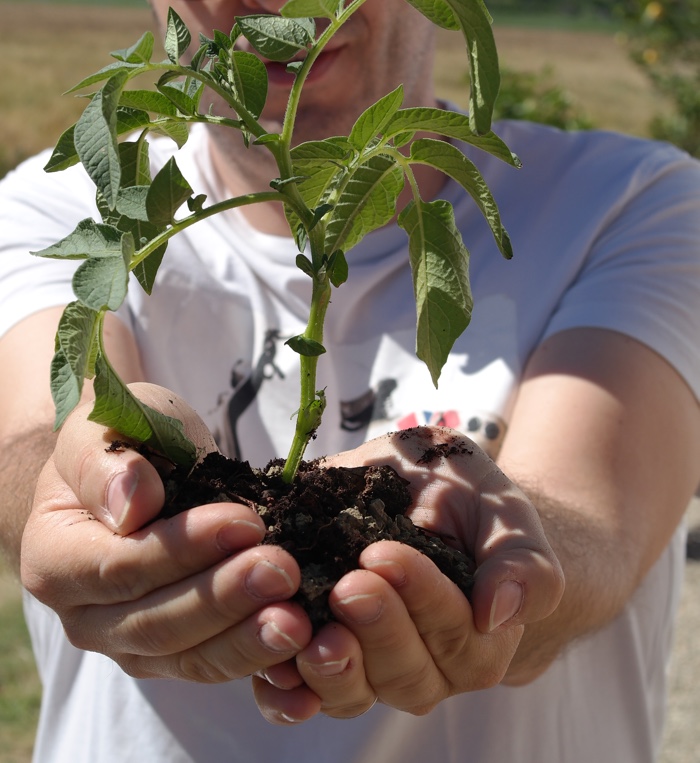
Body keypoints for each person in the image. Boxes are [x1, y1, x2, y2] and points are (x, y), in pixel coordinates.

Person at [0, 0, 698, 761]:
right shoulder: (49, 208)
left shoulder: (638, 207)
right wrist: (92, 466)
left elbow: (594, 519)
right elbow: (37, 429)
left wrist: (501, 544)